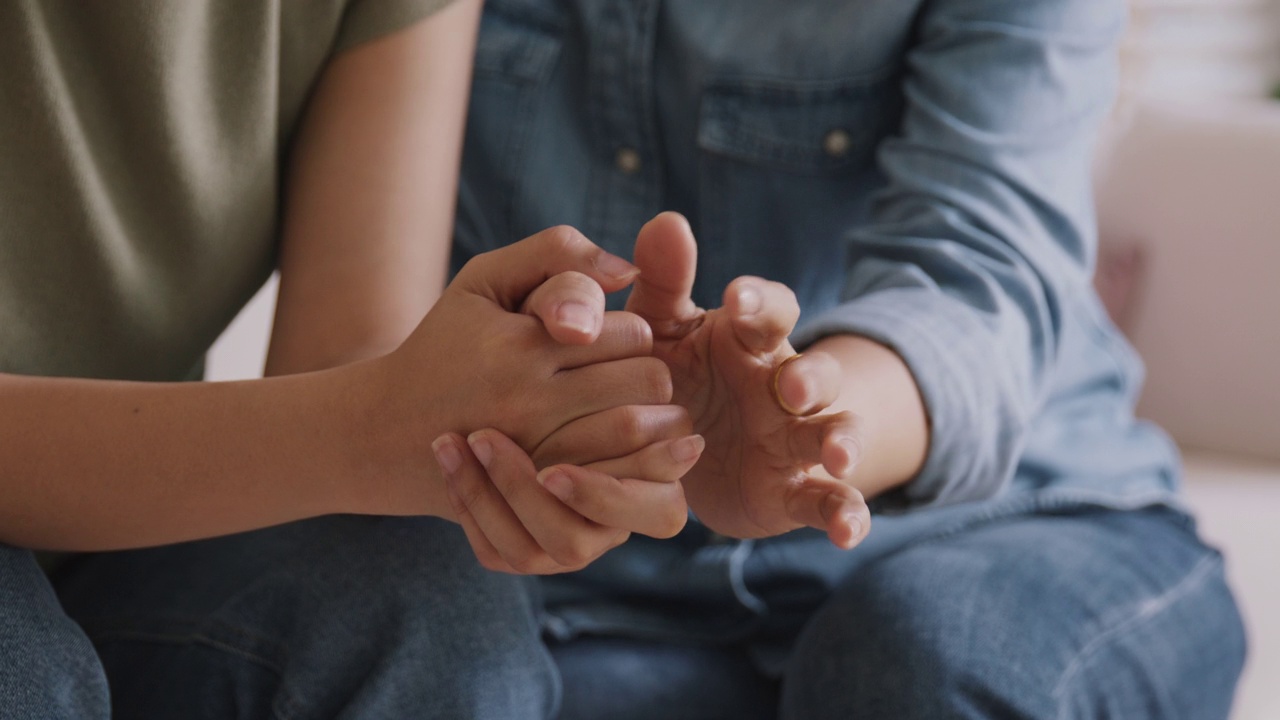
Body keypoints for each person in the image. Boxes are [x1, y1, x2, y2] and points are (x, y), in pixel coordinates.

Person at [3, 1, 853, 717]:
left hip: (119, 525)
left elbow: (347, 352)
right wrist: (369, 427)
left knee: (435, 614)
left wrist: (547, 418)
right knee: (25, 673)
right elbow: (353, 420)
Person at [433, 0, 1249, 717]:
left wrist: (802, 426)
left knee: (914, 664)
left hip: (1028, 518)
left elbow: (976, 281)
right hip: (616, 590)